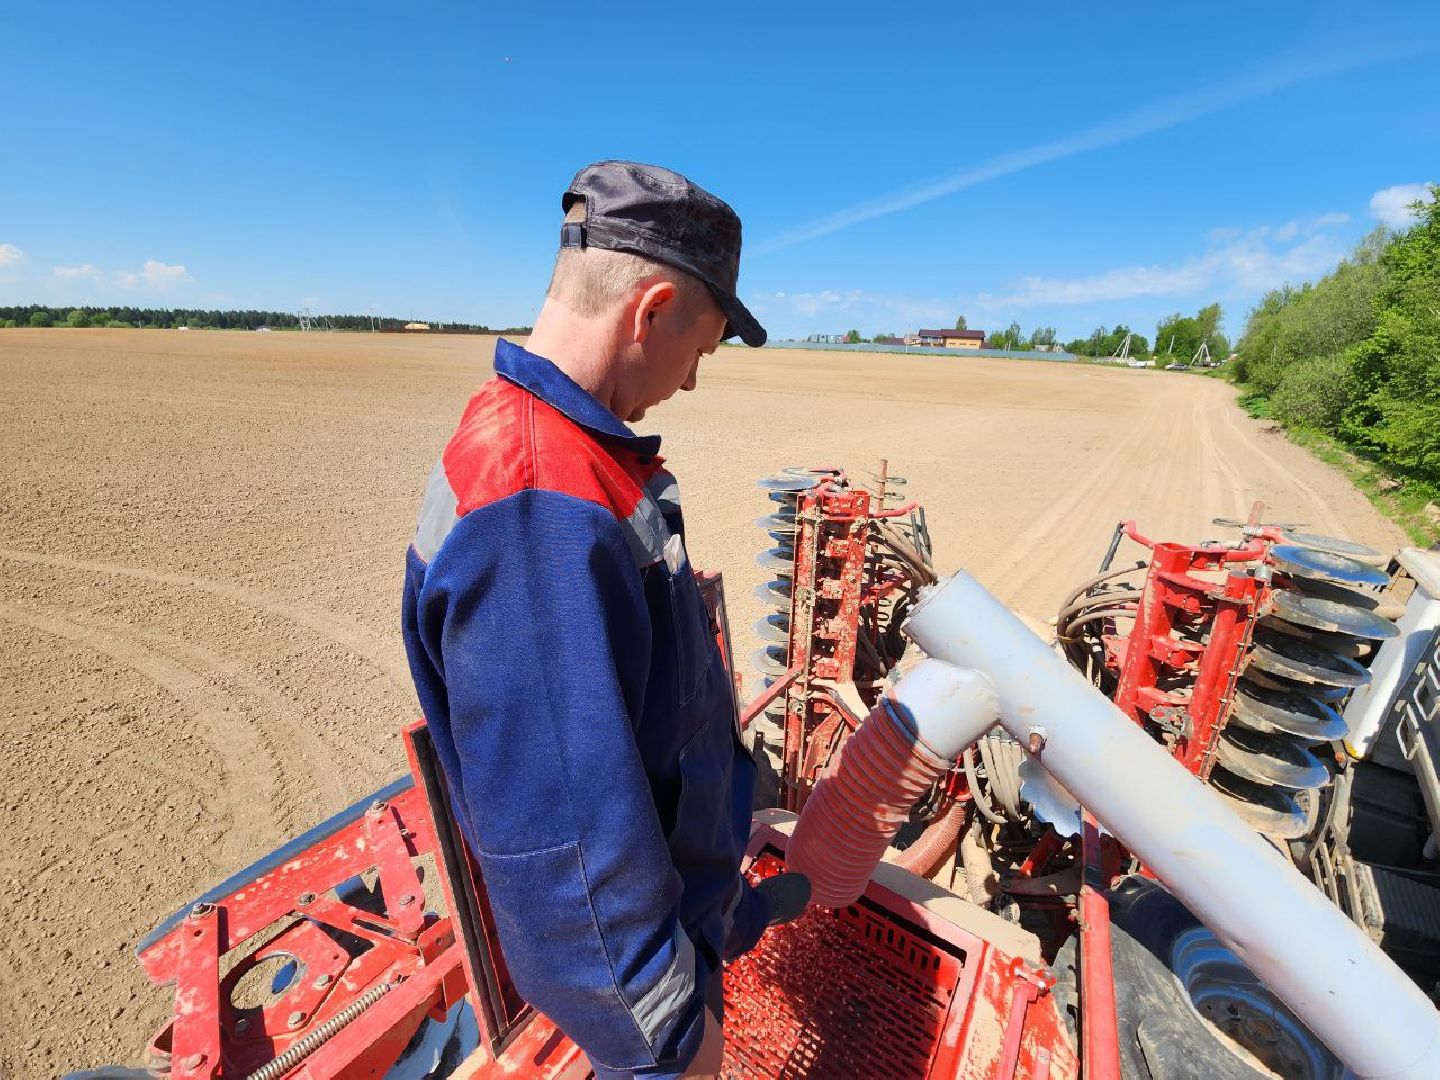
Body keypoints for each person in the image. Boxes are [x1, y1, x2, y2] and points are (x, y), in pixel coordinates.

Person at [401, 161, 809, 1078]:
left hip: (683, 914)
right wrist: (669, 1036)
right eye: (700, 351)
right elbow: (562, 854)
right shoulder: (538, 503)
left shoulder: (566, 458)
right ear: (650, 309)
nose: (693, 383)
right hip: (649, 1006)